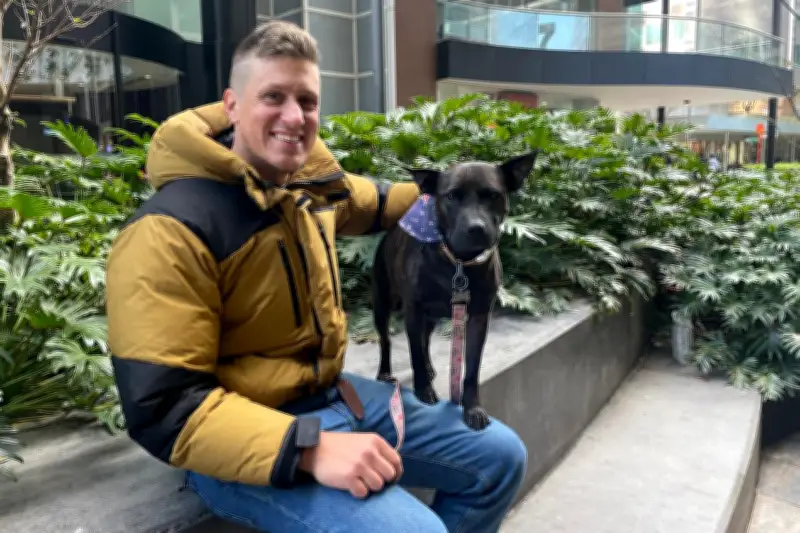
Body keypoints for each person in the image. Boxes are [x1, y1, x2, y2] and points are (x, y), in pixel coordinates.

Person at [105, 19, 527, 533]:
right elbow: (163, 407)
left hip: (335, 396)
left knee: (501, 458)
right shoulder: (168, 230)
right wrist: (309, 449)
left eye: (307, 101)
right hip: (247, 438)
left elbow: (383, 201)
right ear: (231, 105)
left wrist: (459, 200)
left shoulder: (311, 189)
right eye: (273, 96)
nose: (294, 116)